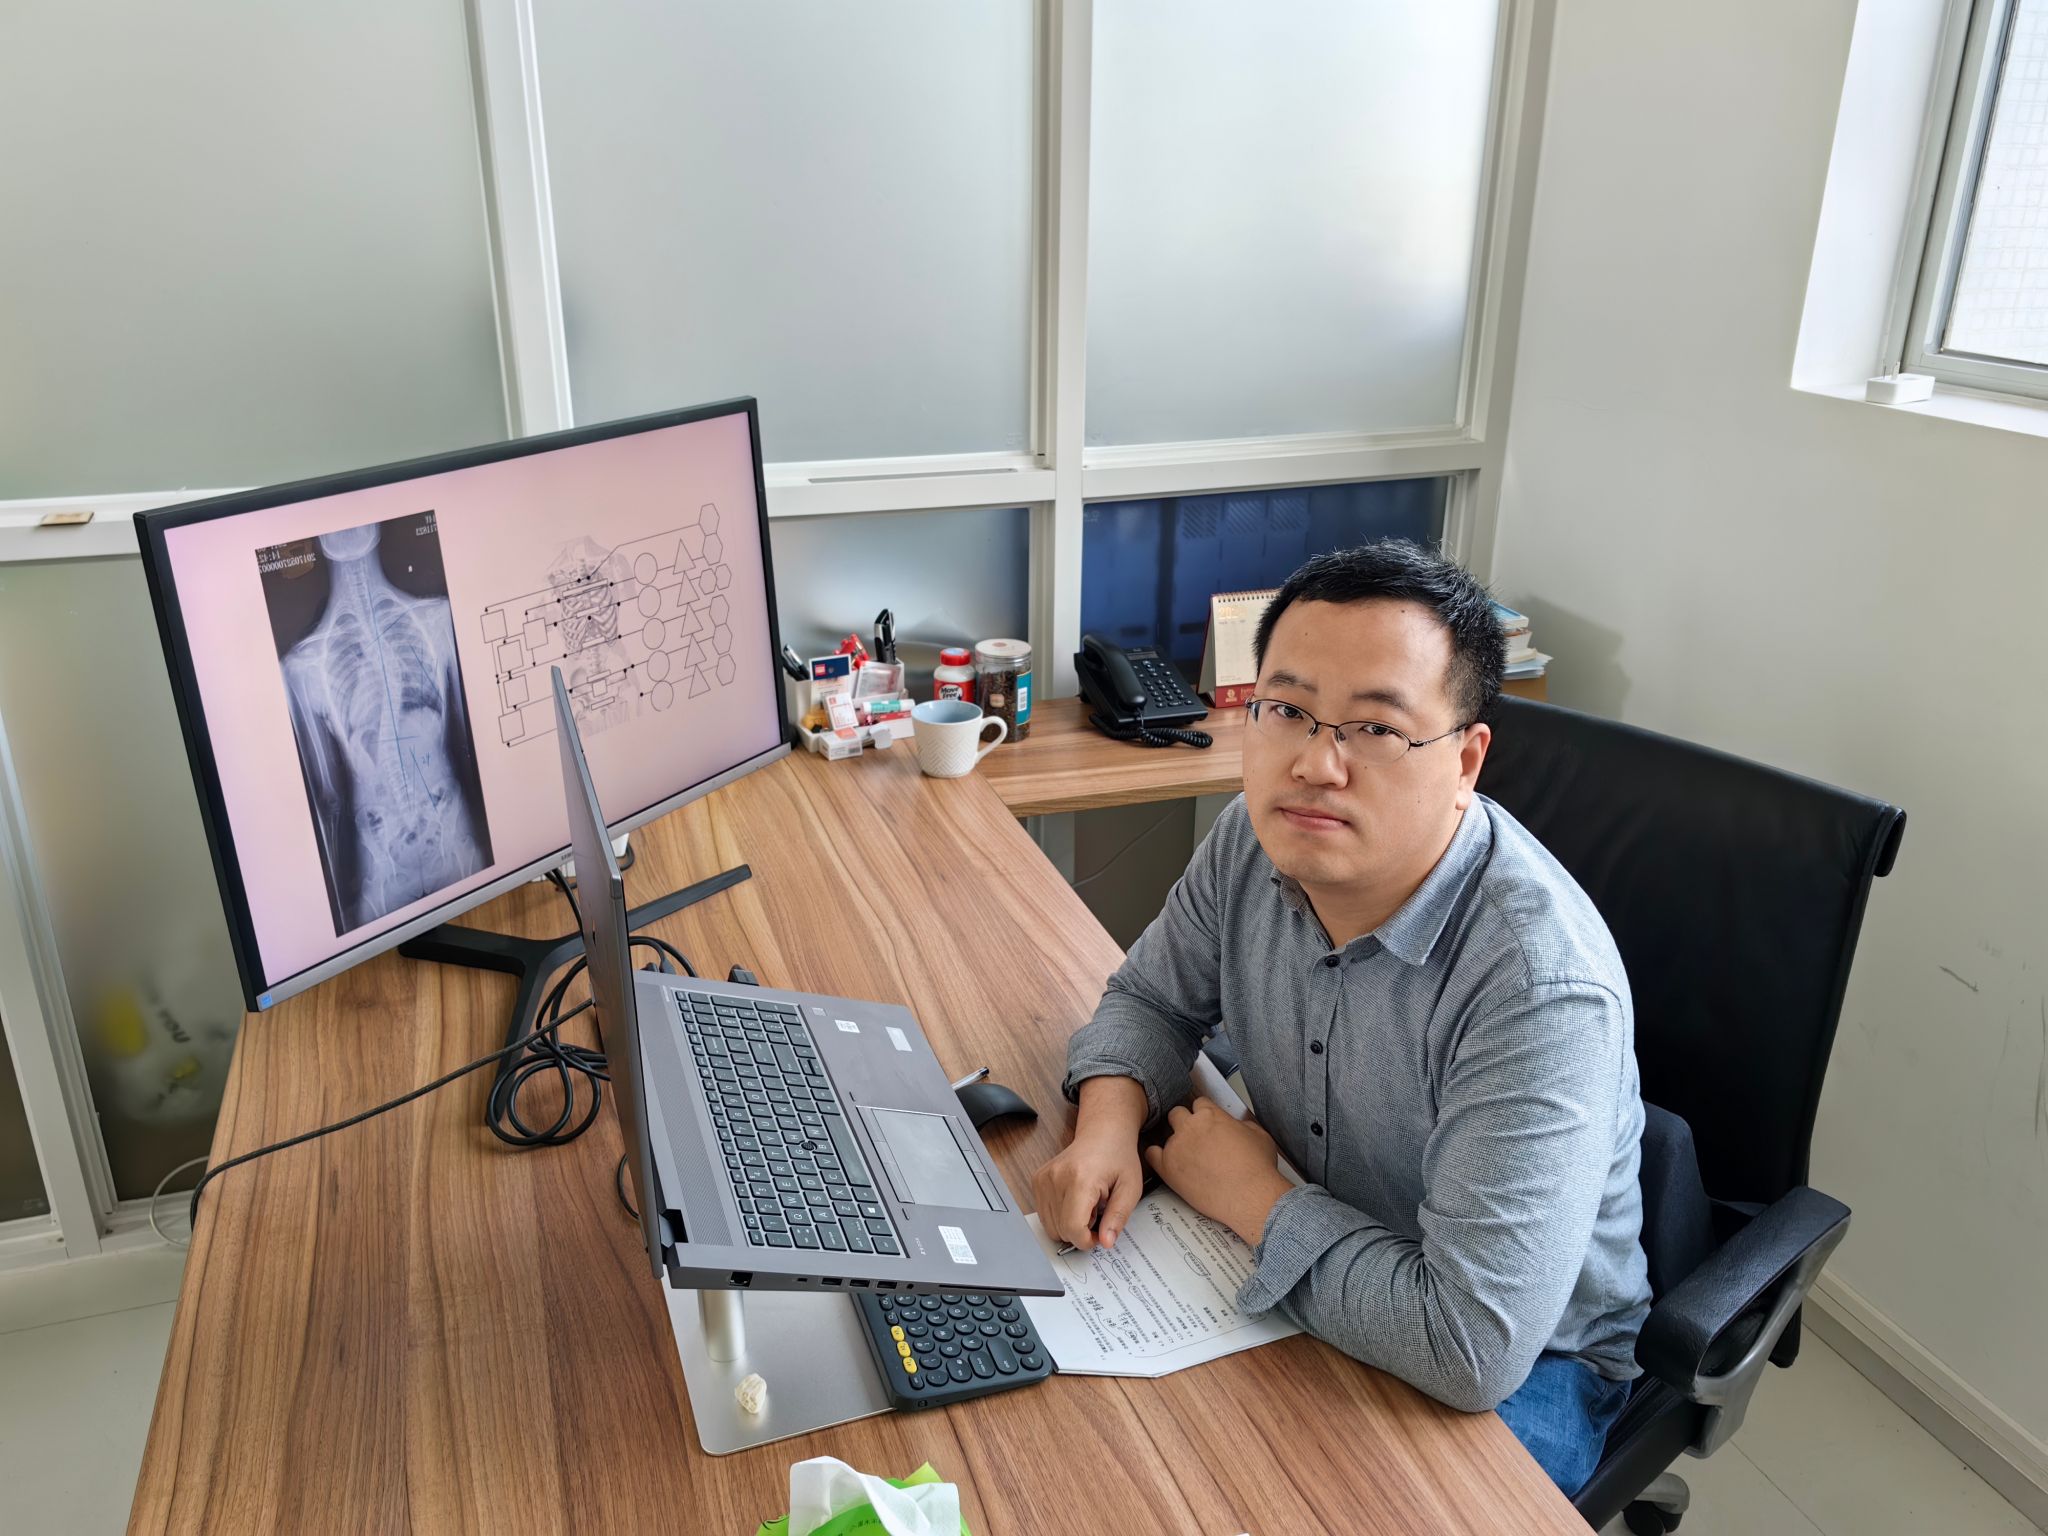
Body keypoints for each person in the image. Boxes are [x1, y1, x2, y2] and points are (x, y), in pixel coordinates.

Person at [1033, 539, 1650, 1496]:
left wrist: (1253, 1198)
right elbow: (1152, 998)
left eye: (1376, 729)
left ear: (1466, 761)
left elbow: (1470, 1348)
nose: (1317, 765)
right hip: (1316, 1233)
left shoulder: (1538, 991)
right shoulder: (1255, 839)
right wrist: (1108, 1126)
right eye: (1287, 710)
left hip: (1526, 1366)